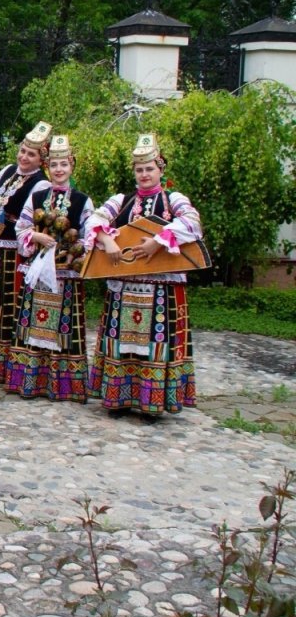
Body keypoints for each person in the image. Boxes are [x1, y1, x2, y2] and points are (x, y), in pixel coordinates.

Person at [86, 134, 202, 415]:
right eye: (139, 169)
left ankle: (153, 402)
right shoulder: (122, 201)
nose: (144, 174)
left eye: (149, 168)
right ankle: (118, 398)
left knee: (156, 340)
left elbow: (192, 223)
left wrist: (158, 241)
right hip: (125, 286)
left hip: (161, 287)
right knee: (122, 339)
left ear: (160, 169)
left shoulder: (173, 200)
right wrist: (107, 240)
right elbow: (94, 219)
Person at [5, 135, 94, 401]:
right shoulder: (37, 197)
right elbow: (21, 228)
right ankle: (29, 382)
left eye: (63, 164)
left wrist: (75, 250)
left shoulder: (83, 201)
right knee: (33, 324)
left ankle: (63, 386)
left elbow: (89, 237)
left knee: (62, 327)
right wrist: (37, 237)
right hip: (37, 271)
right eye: (54, 165)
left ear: (72, 166)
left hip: (65, 275)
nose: (59, 169)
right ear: (47, 167)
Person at [0, 121, 53, 381]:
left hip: (12, 249)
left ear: (41, 160)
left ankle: (4, 363)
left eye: (31, 154)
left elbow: (30, 218)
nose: (24, 157)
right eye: (23, 151)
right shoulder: (7, 171)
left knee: (7, 302)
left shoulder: (41, 184)